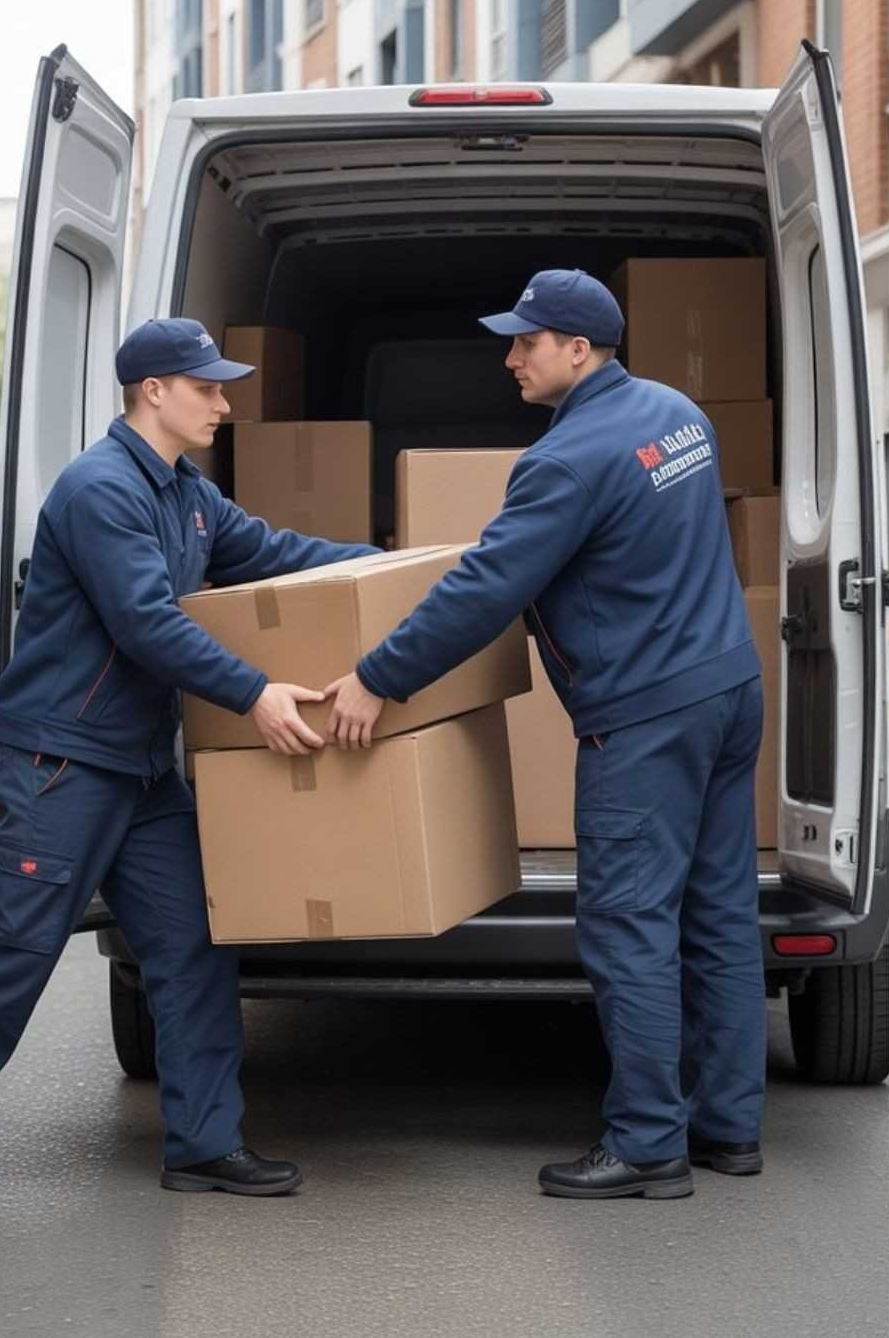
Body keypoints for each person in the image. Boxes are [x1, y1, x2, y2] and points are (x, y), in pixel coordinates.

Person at [0, 318, 379, 1208]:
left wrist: (399, 565)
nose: (224, 403)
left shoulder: (186, 493)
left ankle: (202, 1144)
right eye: (208, 387)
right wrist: (255, 693)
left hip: (141, 768)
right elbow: (147, 624)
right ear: (153, 390)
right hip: (62, 760)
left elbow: (275, 554)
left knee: (192, 944)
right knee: (20, 946)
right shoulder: (99, 489)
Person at [325, 269, 766, 1201]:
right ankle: (729, 1127)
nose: (511, 357)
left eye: (527, 341)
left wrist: (375, 677)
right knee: (719, 912)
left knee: (629, 926)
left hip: (644, 715)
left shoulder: (566, 461)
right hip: (726, 686)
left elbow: (484, 589)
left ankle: (648, 1143)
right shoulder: (679, 414)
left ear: (579, 347)